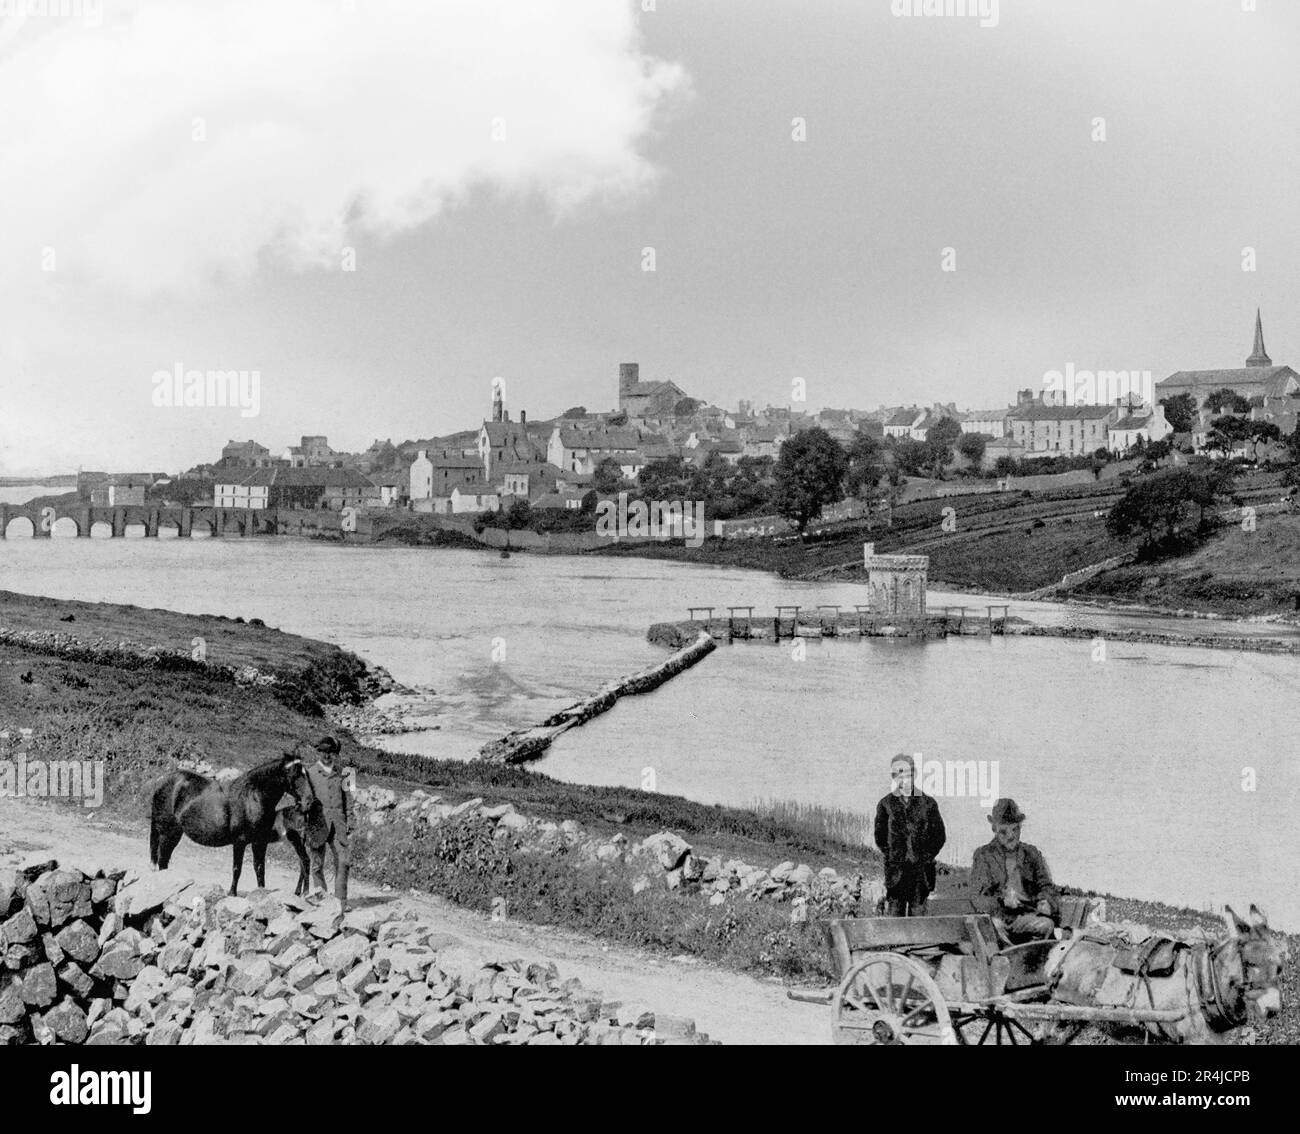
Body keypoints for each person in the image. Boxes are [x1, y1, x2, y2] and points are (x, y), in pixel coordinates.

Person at [969, 798, 1058, 942]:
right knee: (992, 927)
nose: (1011, 836)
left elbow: (1047, 886)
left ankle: (1028, 958)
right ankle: (1006, 959)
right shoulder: (983, 855)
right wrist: (1002, 900)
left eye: (1015, 830)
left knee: (1046, 925)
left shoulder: (1032, 853)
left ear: (1020, 827)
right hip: (999, 918)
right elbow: (978, 898)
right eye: (1003, 832)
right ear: (994, 829)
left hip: (1026, 917)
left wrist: (1045, 901)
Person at [873, 753, 946, 916]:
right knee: (894, 925)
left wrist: (925, 857)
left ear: (914, 774)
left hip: (920, 877)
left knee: (919, 927)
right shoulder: (886, 804)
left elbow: (939, 837)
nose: (902, 779)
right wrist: (893, 856)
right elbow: (880, 837)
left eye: (906, 773)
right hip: (896, 877)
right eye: (897, 774)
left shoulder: (928, 804)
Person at [304, 736, 354, 909]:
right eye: (323, 751)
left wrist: (350, 820)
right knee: (317, 864)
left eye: (330, 752)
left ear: (335, 754)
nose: (327, 755)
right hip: (317, 825)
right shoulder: (310, 773)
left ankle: (341, 901)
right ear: (318, 752)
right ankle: (321, 899)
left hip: (338, 825)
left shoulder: (345, 773)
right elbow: (304, 800)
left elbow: (349, 798)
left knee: (343, 861)